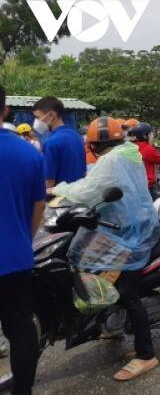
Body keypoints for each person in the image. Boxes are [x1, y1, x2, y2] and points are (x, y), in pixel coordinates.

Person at [52, 117, 160, 381]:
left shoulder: (112, 160)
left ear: (93, 145)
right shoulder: (128, 152)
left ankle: (146, 355)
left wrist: (57, 189)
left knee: (125, 291)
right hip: (128, 222)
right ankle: (112, 325)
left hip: (127, 232)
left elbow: (89, 190)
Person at [0, 85, 45, 395]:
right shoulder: (28, 152)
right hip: (15, 259)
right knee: (20, 331)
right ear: (5, 110)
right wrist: (22, 239)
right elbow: (38, 206)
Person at [32, 96, 87, 188]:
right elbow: (84, 171)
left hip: (58, 199)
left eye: (38, 117)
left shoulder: (51, 142)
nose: (36, 122)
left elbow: (49, 183)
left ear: (52, 115)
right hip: (78, 194)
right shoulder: (77, 136)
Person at [131, 123, 160, 199]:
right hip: (148, 184)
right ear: (145, 136)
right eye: (151, 134)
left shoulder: (133, 146)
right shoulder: (148, 149)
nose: (152, 136)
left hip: (137, 183)